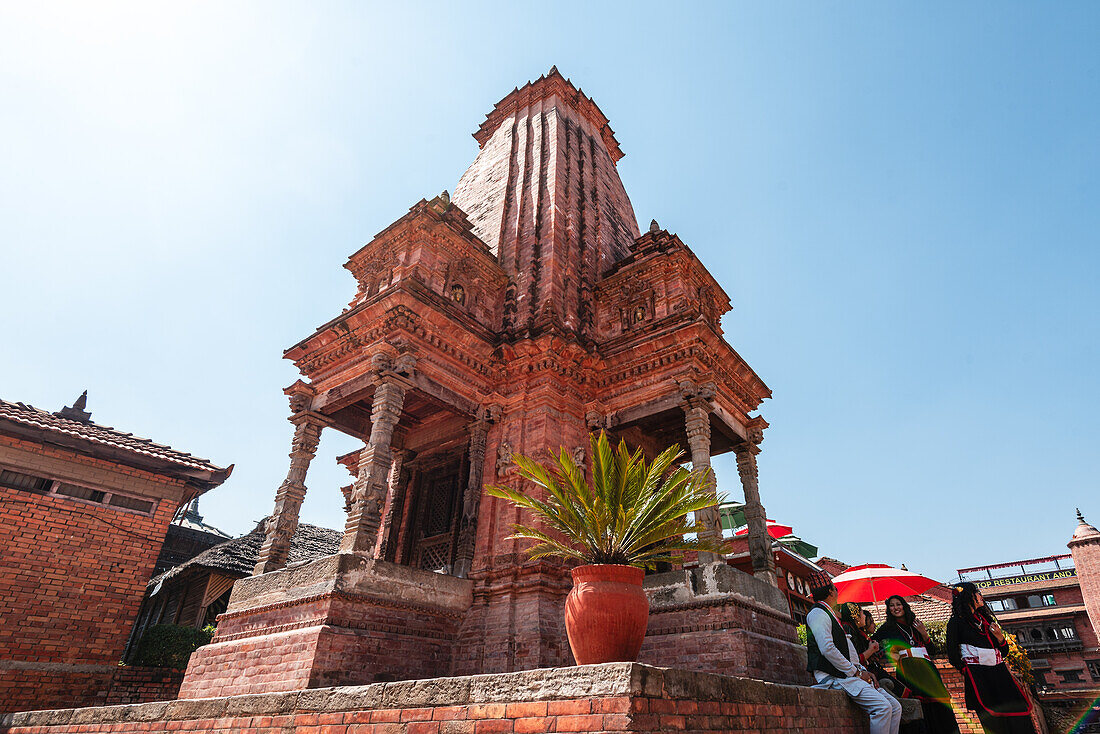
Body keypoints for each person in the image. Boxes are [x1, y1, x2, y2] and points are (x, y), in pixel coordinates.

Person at [806, 571, 902, 734]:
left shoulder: (829, 613)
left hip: (849, 674)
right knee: (883, 708)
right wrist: (856, 672)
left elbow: (847, 653)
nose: (837, 592)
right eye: (835, 589)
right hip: (836, 676)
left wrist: (863, 671)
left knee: (895, 707)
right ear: (831, 591)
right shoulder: (818, 613)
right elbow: (827, 649)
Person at [946, 582, 1036, 734]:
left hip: (1000, 674)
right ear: (969, 596)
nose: (981, 596)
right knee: (994, 722)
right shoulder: (956, 623)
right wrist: (968, 670)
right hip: (979, 677)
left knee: (1018, 717)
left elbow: (1004, 651)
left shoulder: (986, 620)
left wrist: (1000, 638)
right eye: (977, 593)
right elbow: (953, 655)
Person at [874, 595, 960, 733]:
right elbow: (873, 643)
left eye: (898, 604)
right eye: (892, 605)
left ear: (904, 606)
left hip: (928, 669)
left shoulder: (916, 624)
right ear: (888, 609)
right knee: (919, 706)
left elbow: (932, 651)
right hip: (908, 670)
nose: (895, 608)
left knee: (940, 703)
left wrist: (924, 634)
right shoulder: (887, 628)